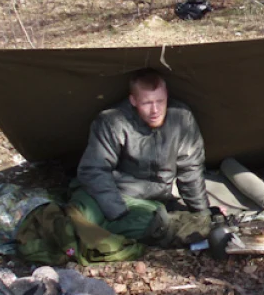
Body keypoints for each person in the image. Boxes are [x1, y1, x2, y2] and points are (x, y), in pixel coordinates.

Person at [66, 69, 214, 248]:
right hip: (119, 195)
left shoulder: (181, 117)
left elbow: (190, 169)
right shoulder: (112, 121)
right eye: (147, 103)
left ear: (167, 95)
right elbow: (94, 169)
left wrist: (202, 213)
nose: (155, 110)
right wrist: (118, 212)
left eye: (160, 101)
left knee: (158, 223)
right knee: (81, 216)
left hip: (154, 202)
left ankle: (147, 229)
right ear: (133, 101)